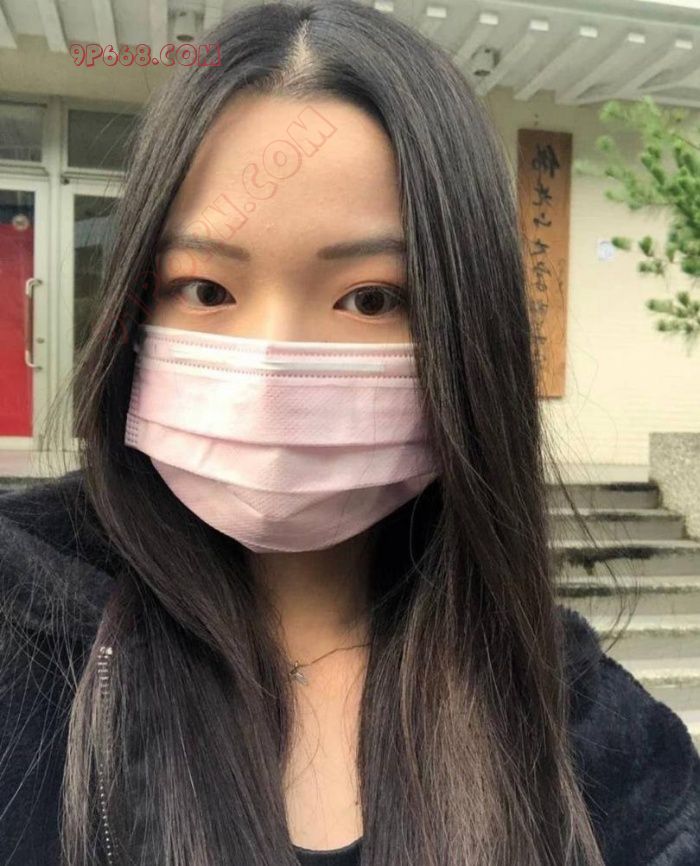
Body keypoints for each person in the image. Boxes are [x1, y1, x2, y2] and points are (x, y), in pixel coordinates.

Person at [1, 2, 699, 865]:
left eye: (371, 298)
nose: (271, 368)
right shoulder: (22, 642)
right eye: (206, 290)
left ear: (466, 332)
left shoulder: (592, 737)